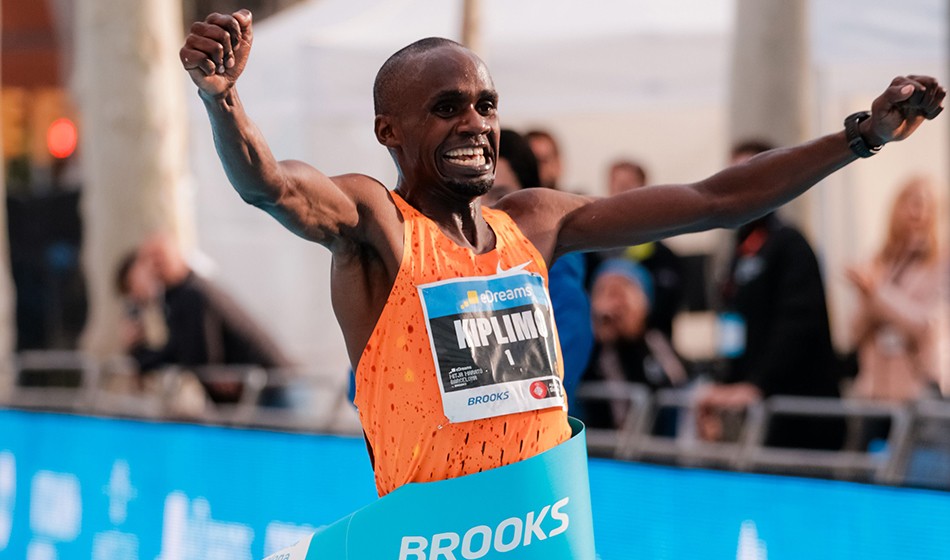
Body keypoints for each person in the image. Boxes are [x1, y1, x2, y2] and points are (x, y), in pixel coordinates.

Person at [180, 9, 943, 496]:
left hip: (546, 534)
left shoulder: (534, 222)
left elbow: (716, 199)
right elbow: (273, 187)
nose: (475, 122)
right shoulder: (377, 223)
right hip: (430, 543)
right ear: (390, 132)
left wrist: (862, 137)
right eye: (445, 109)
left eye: (485, 105)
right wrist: (224, 98)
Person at [696, 140, 846, 450]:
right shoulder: (738, 250)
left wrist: (755, 385)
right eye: (733, 174)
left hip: (800, 415)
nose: (740, 184)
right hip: (758, 412)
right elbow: (732, 323)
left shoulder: (790, 244)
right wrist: (724, 385)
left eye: (750, 173)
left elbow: (798, 325)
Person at [117, 234, 292, 405]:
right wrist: (137, 351)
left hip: (272, 386)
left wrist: (138, 353)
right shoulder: (181, 295)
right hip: (267, 385)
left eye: (151, 263)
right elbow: (182, 351)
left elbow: (194, 355)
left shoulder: (191, 294)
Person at [485, 129, 594, 403]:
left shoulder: (556, 280)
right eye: (474, 197)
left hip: (543, 442)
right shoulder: (436, 270)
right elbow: (368, 386)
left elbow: (553, 384)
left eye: (501, 196)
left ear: (530, 203)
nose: (484, 210)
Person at [847, 177, 945, 403]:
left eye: (923, 204)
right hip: (873, 390)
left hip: (918, 389)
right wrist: (866, 295)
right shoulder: (879, 258)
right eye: (909, 202)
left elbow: (926, 325)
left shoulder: (941, 262)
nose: (916, 212)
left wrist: (877, 293)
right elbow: (853, 333)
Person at [581, 258, 688, 430]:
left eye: (622, 290)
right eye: (604, 291)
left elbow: (679, 386)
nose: (613, 304)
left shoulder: (656, 344)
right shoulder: (590, 349)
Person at [586, 159, 686, 339]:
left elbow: (669, 305)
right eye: (615, 187)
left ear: (644, 191)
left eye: (627, 187)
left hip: (649, 348)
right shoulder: (592, 252)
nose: (619, 195)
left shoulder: (663, 257)